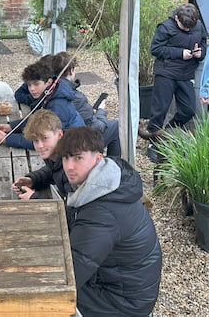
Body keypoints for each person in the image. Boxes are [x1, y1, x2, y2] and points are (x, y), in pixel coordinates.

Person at [56, 127, 162, 317]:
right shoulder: (109, 180)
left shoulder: (102, 213)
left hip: (123, 303)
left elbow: (70, 277)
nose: (69, 166)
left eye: (78, 158)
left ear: (97, 159)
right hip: (125, 285)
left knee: (43, 302)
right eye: (65, 158)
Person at [139, 3, 207, 140]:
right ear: (176, 18)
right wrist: (179, 53)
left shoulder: (198, 26)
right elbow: (156, 49)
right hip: (166, 73)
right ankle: (153, 140)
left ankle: (168, 131)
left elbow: (203, 43)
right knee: (160, 110)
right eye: (184, 27)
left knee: (188, 110)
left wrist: (201, 52)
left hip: (186, 74)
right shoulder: (165, 27)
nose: (187, 30)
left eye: (190, 27)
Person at [0, 60, 84, 149]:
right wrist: (10, 127)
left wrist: (7, 139)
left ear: (48, 82)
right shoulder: (49, 92)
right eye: (29, 85)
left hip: (72, 147)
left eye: (36, 84)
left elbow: (46, 140)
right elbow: (37, 121)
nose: (32, 89)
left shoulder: (58, 104)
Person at [51, 51, 121, 156]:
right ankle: (112, 165)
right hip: (78, 143)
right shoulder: (75, 97)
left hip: (62, 137)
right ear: (71, 71)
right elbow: (97, 128)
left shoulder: (50, 88)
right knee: (116, 126)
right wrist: (101, 111)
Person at [11, 109, 72, 200]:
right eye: (36, 140)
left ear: (59, 134)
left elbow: (71, 211)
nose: (40, 146)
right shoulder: (56, 154)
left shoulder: (73, 164)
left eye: (45, 138)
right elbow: (54, 170)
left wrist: (34, 197)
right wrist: (33, 180)